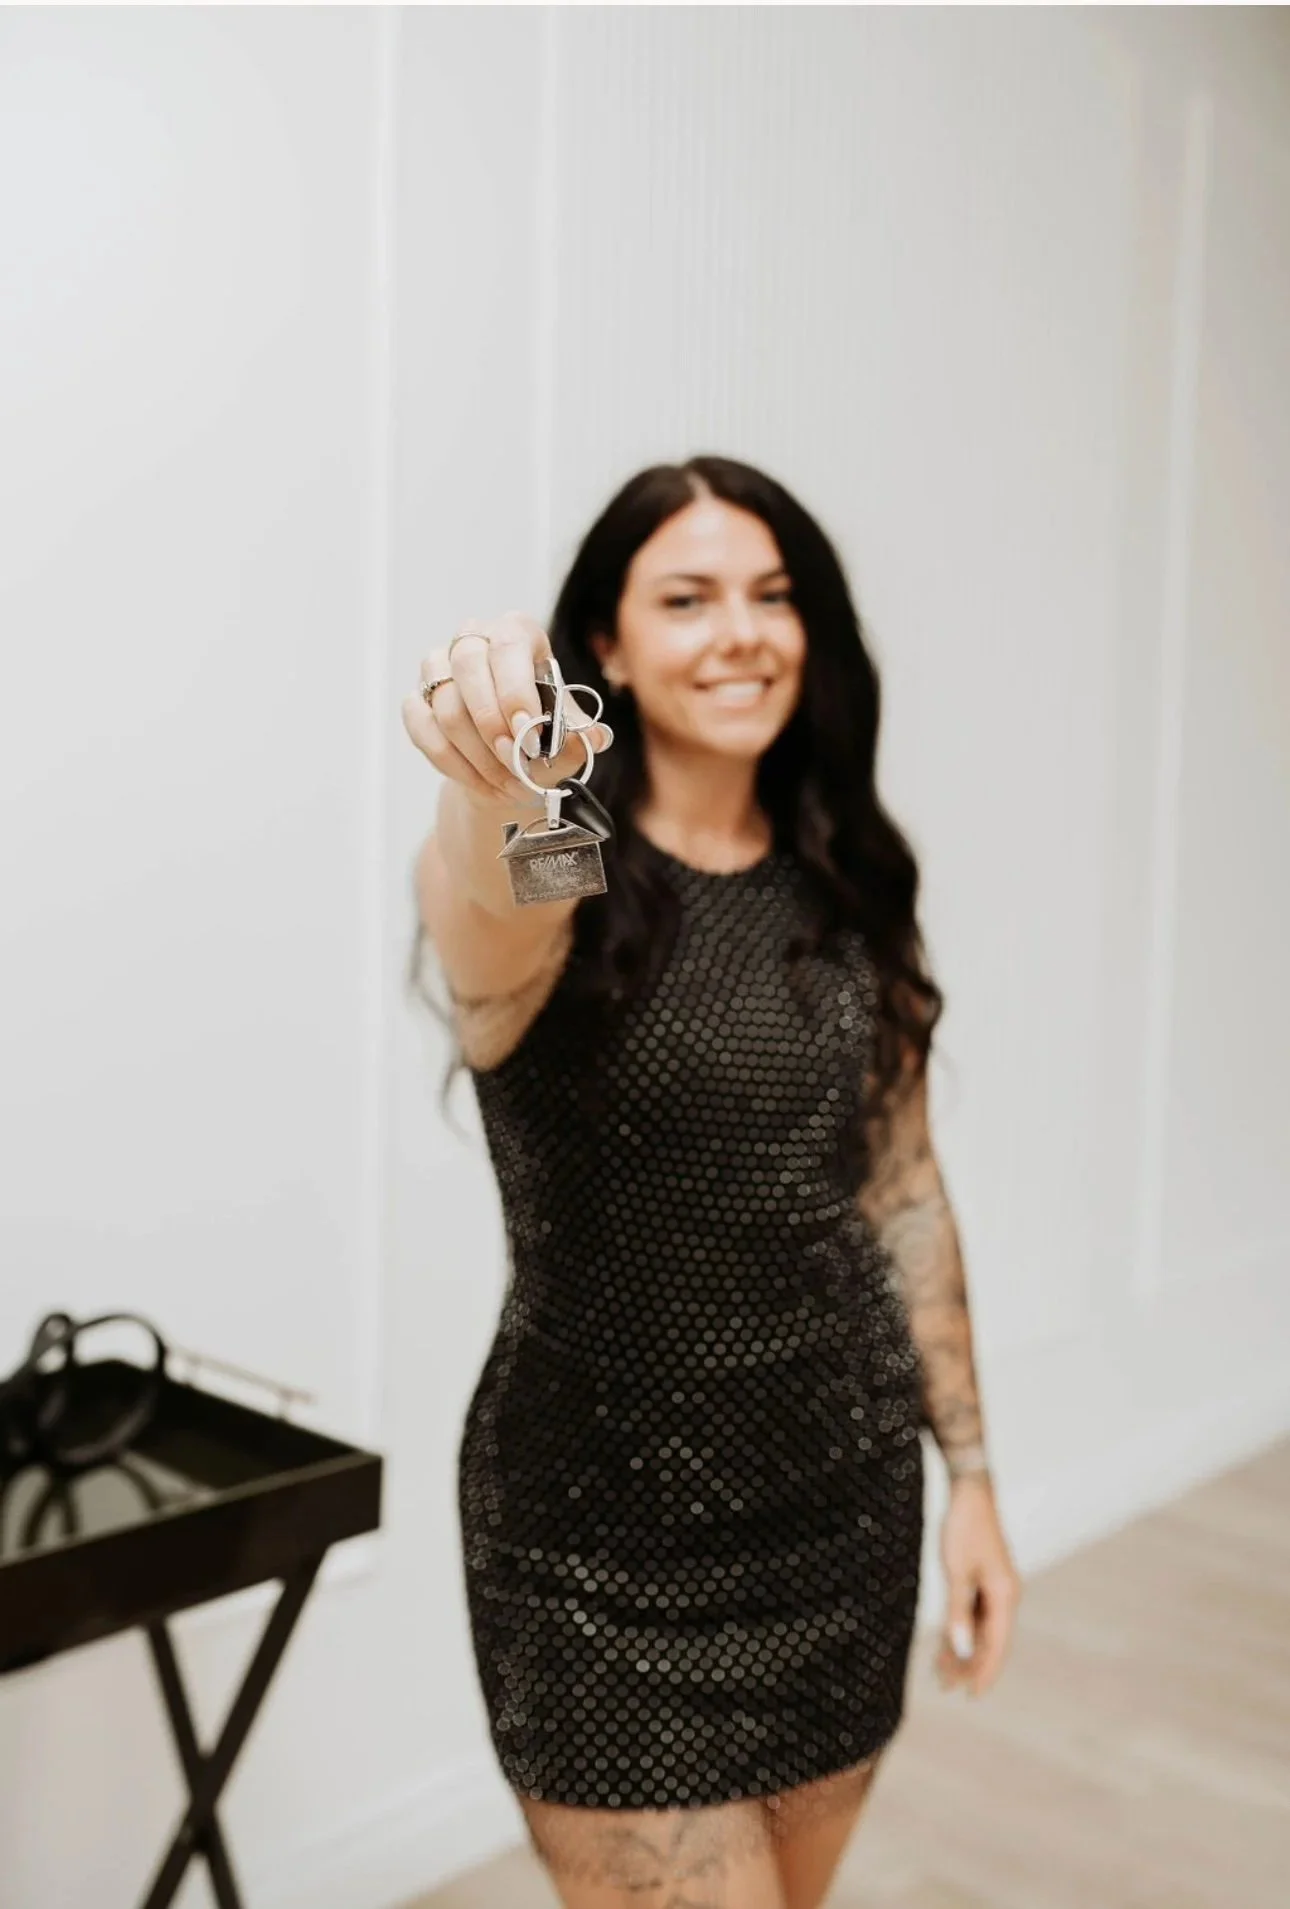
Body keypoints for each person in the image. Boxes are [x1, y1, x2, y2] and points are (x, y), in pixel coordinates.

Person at [402, 455, 1021, 1909]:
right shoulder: (568, 862)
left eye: (772, 594)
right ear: (606, 644)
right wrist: (494, 772)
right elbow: (489, 888)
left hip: (838, 1512)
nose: (741, 631)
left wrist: (973, 1481)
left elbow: (902, 1188)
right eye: (687, 598)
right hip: (597, 1558)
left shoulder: (846, 873)